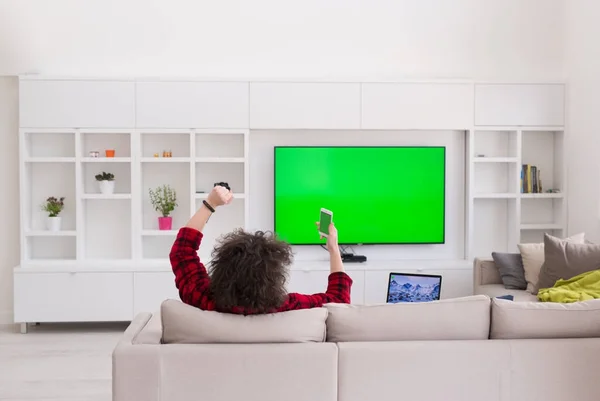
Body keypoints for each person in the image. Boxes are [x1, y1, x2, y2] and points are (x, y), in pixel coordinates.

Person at [169, 185, 352, 314]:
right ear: (273, 276)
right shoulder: (288, 308)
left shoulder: (203, 299)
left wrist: (210, 203)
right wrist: (334, 248)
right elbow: (339, 300)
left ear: (221, 269)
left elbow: (182, 252)